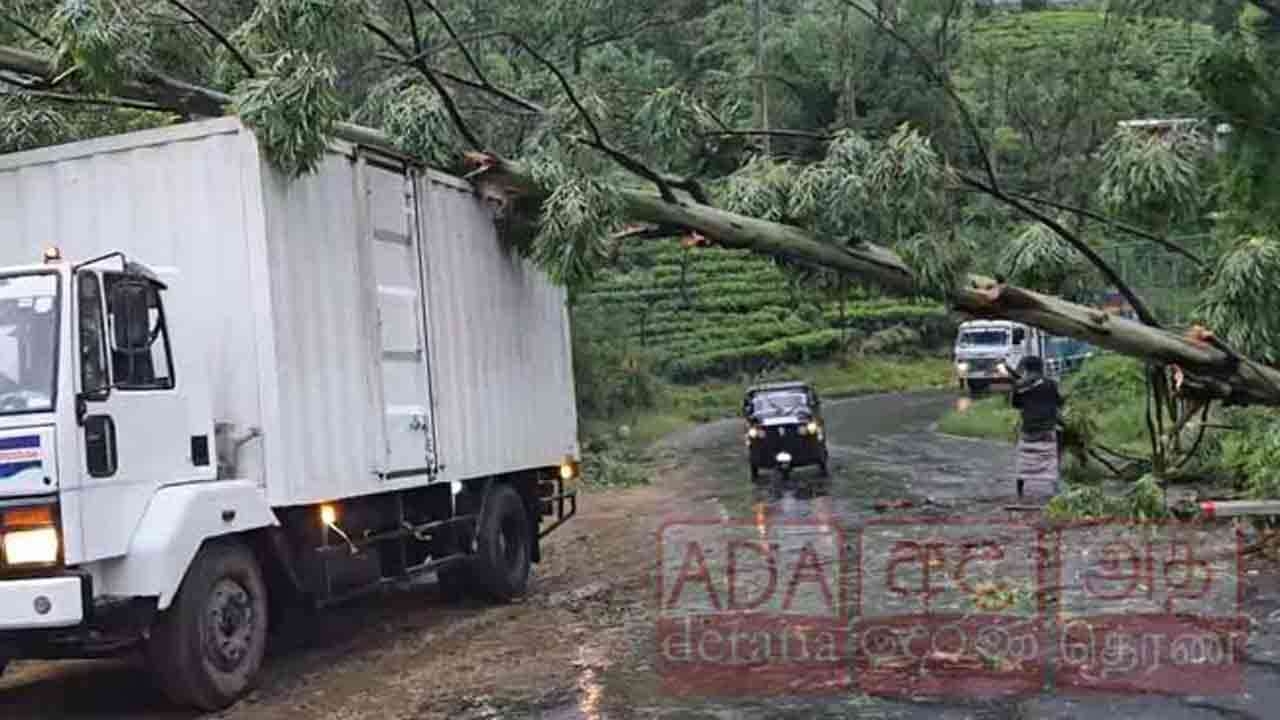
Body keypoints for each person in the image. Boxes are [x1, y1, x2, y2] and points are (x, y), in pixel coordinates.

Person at [1006, 356, 1064, 498]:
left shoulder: (1020, 385)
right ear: (1041, 367)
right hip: (1047, 429)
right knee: (1051, 459)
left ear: (1026, 368)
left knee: (1024, 462)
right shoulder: (1051, 383)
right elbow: (1059, 402)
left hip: (1028, 429)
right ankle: (1055, 489)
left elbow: (1015, 405)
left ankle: (1020, 491)